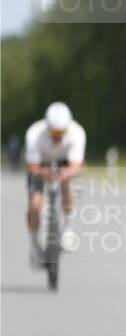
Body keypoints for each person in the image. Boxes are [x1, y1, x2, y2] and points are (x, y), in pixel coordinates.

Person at [24, 102, 86, 268]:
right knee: (35, 205)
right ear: (47, 127)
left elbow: (76, 166)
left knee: (67, 182)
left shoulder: (77, 133)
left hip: (64, 163)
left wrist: (62, 174)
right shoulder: (34, 133)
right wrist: (46, 174)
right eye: (53, 132)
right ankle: (35, 244)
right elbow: (32, 168)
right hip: (41, 165)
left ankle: (68, 228)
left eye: (61, 133)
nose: (57, 136)